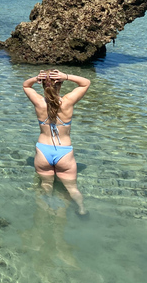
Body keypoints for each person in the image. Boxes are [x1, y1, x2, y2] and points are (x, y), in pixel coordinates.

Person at [23, 69, 90, 215]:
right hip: (64, 152)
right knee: (72, 188)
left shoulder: (39, 103)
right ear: (60, 84)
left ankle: (45, 209)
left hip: (43, 151)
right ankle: (82, 209)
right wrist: (66, 76)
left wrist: (36, 77)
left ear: (43, 86)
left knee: (46, 184)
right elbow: (85, 83)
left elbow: (26, 86)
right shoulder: (67, 102)